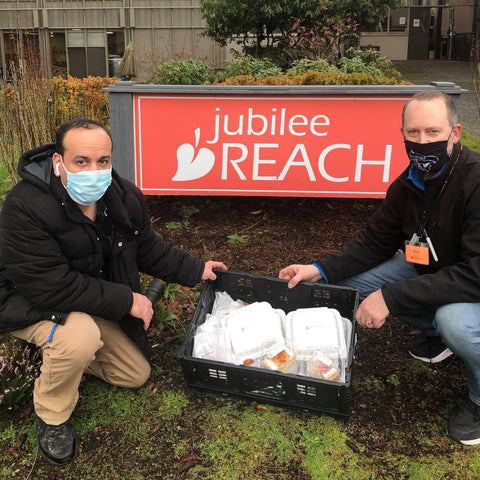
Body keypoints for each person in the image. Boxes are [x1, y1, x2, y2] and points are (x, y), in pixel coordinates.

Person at [0, 118, 227, 465]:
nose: (94, 171)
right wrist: (127, 300)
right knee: (78, 338)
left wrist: (196, 269)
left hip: (85, 299)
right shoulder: (25, 206)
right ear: (58, 161)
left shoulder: (119, 196)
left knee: (135, 374)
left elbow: (147, 247)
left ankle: (60, 355)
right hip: (25, 299)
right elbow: (49, 286)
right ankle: (52, 414)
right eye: (81, 161)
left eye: (102, 161)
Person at [279, 90, 480, 445]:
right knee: (354, 286)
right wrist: (319, 268)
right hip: (437, 274)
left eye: (433, 132)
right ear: (402, 134)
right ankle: (438, 337)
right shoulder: (408, 184)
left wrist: (390, 296)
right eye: (413, 133)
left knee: (455, 321)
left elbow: (476, 274)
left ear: (455, 132)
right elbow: (375, 242)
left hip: (472, 285)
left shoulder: (475, 182)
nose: (422, 142)